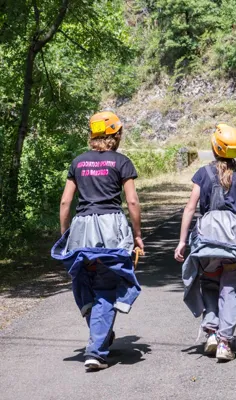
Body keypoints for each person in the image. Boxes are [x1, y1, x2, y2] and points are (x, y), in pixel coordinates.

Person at [51, 110, 144, 370]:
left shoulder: (78, 162)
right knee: (106, 285)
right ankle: (96, 351)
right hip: (110, 226)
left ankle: (98, 330)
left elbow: (66, 201)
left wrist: (65, 233)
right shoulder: (121, 162)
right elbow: (133, 201)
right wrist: (137, 235)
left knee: (83, 279)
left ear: (93, 134)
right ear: (115, 134)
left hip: (82, 227)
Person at [175, 124, 236, 362]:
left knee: (209, 282)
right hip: (234, 237)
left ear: (215, 147)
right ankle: (224, 342)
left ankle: (211, 330)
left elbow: (190, 208)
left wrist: (182, 241)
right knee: (230, 287)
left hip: (208, 236)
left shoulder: (203, 173)